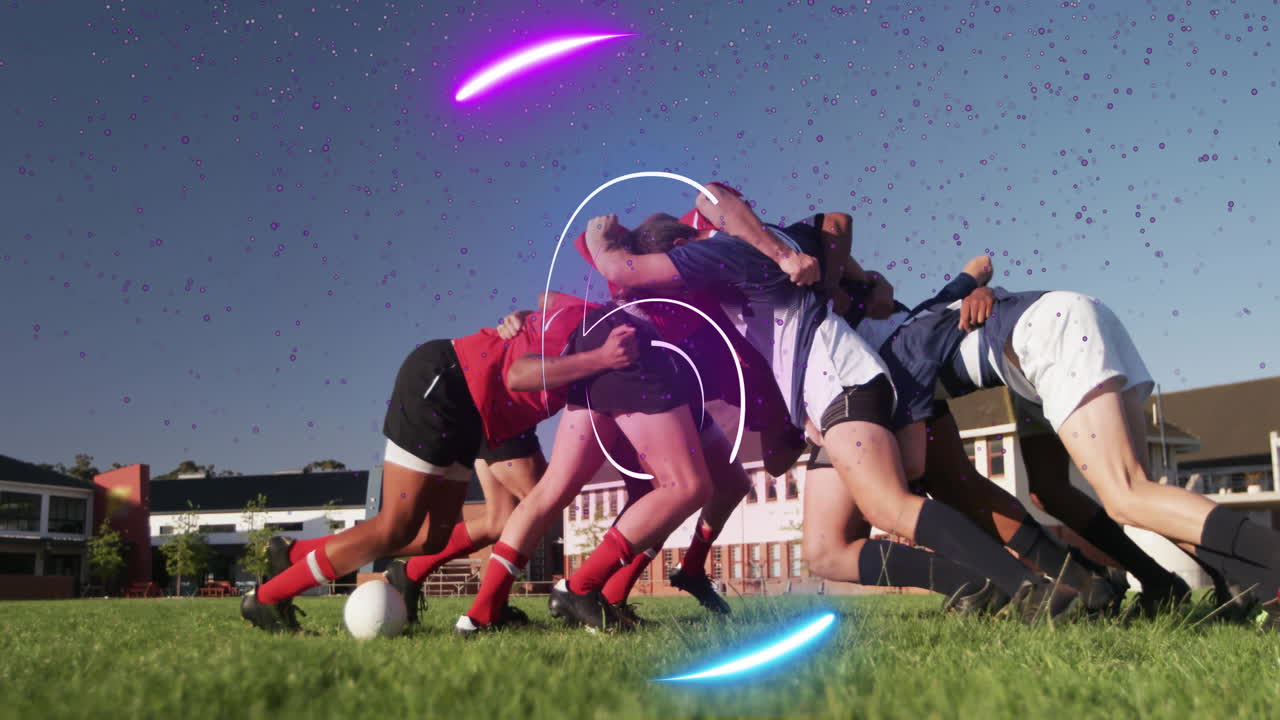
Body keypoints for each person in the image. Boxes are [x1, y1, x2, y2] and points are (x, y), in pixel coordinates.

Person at [585, 185, 1080, 623]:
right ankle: (977, 582)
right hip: (835, 392)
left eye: (667, 272)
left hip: (845, 383)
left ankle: (1030, 588)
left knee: (889, 505)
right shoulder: (762, 245)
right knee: (826, 552)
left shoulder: (718, 252)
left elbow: (679, 220)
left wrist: (601, 242)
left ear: (677, 249)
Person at [861, 255, 1280, 628]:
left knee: (1126, 496)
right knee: (1111, 493)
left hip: (1045, 337)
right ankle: (1234, 580)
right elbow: (979, 263)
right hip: (1053, 337)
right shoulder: (921, 313)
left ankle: (1273, 570)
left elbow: (915, 465)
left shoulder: (894, 359)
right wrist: (977, 285)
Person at [239, 292, 634, 633]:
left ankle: (293, 554)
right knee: (397, 526)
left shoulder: (590, 316)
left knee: (433, 537)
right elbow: (518, 374)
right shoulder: (592, 325)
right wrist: (598, 357)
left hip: (476, 412)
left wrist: (526, 319)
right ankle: (267, 599)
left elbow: (546, 302)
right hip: (446, 381)